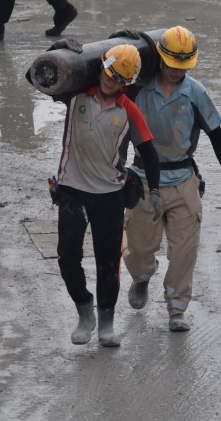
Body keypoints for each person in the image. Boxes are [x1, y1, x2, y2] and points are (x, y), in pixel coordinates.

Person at [121, 26, 221, 332]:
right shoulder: (138, 89)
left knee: (186, 248)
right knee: (140, 246)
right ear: (160, 59)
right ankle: (142, 276)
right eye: (172, 65)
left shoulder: (195, 92)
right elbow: (118, 128)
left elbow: (216, 134)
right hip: (143, 176)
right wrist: (116, 169)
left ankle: (176, 307)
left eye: (183, 67)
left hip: (183, 177)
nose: (177, 72)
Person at [51, 43, 161, 347]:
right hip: (72, 189)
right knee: (68, 256)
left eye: (119, 80)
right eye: (109, 74)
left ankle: (107, 323)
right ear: (101, 67)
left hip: (110, 195)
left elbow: (149, 152)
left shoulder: (128, 110)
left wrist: (156, 191)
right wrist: (60, 50)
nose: (111, 82)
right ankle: (84, 312)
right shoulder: (74, 95)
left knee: (108, 262)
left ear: (127, 83)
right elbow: (38, 76)